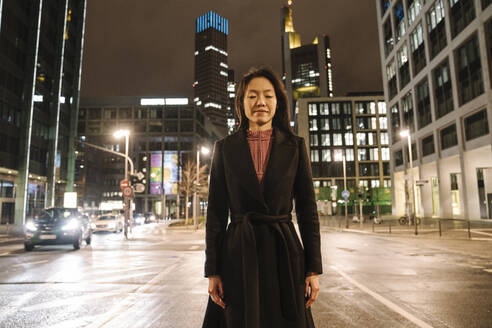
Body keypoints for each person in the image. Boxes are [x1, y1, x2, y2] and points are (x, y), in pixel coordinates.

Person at [202, 66, 322, 328]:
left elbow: (307, 210)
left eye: (268, 95)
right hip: (238, 253)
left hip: (284, 251)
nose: (261, 102)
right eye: (252, 96)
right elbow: (215, 214)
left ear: (277, 102)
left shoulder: (295, 146)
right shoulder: (224, 149)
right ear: (241, 103)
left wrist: (313, 268)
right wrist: (213, 270)